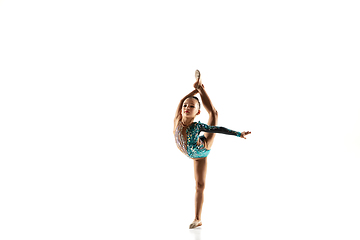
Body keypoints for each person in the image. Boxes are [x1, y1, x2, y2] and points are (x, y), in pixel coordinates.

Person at [173, 70, 251, 229]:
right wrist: (195, 90)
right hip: (193, 155)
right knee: (199, 185)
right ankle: (198, 219)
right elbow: (182, 99)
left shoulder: (197, 126)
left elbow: (219, 129)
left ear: (198, 112)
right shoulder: (176, 120)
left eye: (192, 106)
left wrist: (238, 134)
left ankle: (196, 218)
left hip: (202, 150)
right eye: (185, 106)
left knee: (214, 114)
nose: (187, 107)